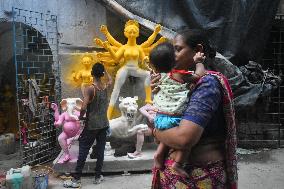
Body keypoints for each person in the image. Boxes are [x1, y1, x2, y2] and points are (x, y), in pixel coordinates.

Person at [150, 30, 237, 189]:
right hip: (175, 174)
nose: (172, 55)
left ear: (198, 50)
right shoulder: (173, 81)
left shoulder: (207, 83)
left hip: (199, 175)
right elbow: (164, 136)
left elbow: (183, 139)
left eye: (178, 49)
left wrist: (155, 130)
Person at [139, 42, 205, 177]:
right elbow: (199, 76)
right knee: (186, 144)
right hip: (175, 116)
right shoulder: (180, 74)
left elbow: (156, 91)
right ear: (175, 60)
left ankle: (158, 154)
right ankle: (178, 164)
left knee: (167, 136)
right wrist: (198, 62)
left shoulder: (158, 76)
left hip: (160, 117)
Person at [94, 20, 166, 119]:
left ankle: (148, 100)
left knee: (147, 74)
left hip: (136, 69)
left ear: (137, 34)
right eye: (130, 32)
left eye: (134, 32)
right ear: (125, 33)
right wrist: (109, 48)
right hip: (125, 69)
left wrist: (155, 33)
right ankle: (108, 116)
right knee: (116, 90)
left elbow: (147, 47)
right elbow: (116, 59)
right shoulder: (123, 48)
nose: (132, 34)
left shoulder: (139, 48)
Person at [63, 62, 112, 188]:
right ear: (101, 74)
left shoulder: (90, 88)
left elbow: (84, 106)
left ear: (91, 73)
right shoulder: (105, 86)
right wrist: (105, 71)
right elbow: (110, 79)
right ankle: (97, 176)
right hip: (103, 124)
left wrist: (80, 116)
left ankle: (76, 180)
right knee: (100, 150)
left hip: (91, 125)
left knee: (84, 150)